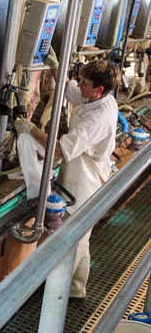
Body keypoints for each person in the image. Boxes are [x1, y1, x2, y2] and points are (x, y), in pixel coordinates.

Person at [15, 59, 120, 298]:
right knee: (83, 234)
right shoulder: (93, 96)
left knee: (73, 235)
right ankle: (76, 288)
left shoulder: (99, 116)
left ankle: (56, 293)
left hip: (86, 178)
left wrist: (29, 129)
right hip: (78, 170)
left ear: (99, 89)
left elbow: (61, 149)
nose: (79, 85)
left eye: (84, 82)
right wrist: (55, 64)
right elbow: (69, 87)